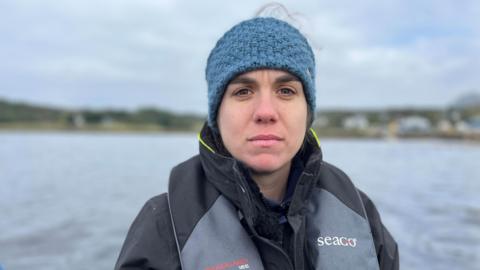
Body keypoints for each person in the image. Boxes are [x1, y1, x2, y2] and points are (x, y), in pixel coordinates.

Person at [115, 16, 399, 270]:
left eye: (286, 90)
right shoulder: (163, 225)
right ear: (217, 113)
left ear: (308, 112)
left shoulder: (359, 214)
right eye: (243, 91)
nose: (265, 111)